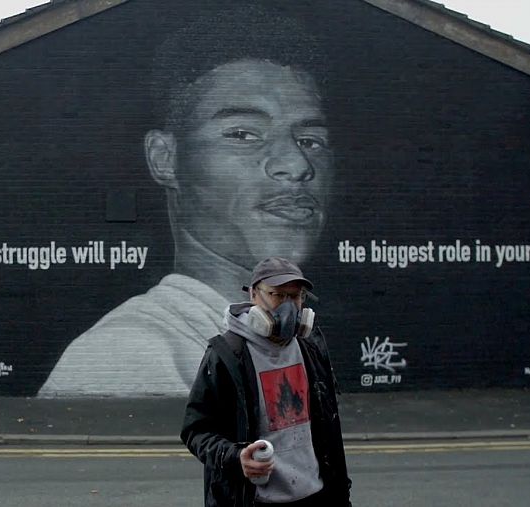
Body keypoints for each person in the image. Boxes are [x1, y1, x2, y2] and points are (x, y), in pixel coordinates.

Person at [38, 5, 335, 397]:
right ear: (165, 158)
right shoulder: (133, 357)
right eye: (243, 134)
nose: (296, 164)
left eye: (311, 141)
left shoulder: (283, 337)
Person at [182, 256, 351, 506]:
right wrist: (236, 457)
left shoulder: (310, 346)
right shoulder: (227, 355)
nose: (288, 307)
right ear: (253, 295)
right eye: (277, 295)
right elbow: (196, 430)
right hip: (255, 499)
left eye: (294, 297)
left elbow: (329, 431)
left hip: (316, 495)